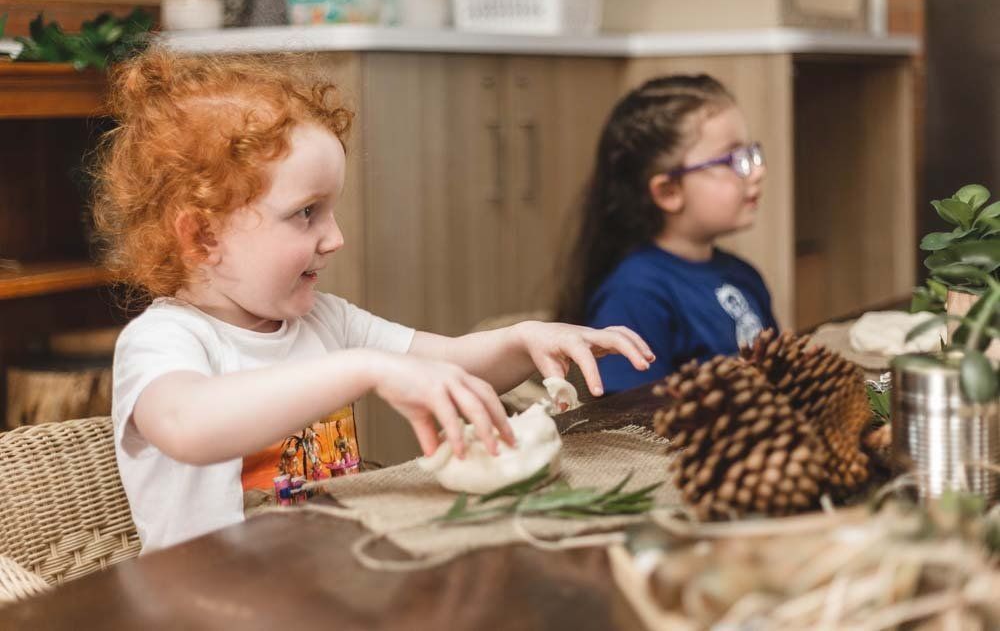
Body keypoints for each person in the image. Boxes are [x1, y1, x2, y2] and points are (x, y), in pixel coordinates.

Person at [93, 49, 654, 553]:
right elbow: (188, 426)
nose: (335, 237)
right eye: (305, 213)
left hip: (335, 573)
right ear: (203, 238)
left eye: (332, 210)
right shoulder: (166, 341)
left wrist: (524, 340)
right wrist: (361, 369)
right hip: (209, 604)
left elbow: (451, 365)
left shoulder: (324, 320)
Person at [555, 74, 778, 394]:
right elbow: (631, 421)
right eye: (732, 159)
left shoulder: (744, 275)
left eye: (751, 153)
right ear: (669, 191)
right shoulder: (634, 295)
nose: (758, 171)